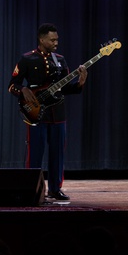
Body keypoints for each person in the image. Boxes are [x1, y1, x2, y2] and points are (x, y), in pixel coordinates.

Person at [7, 23, 88, 200]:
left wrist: (80, 83)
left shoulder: (60, 60)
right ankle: (32, 189)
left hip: (58, 114)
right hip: (36, 114)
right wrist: (23, 90)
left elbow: (65, 89)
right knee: (35, 153)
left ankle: (55, 189)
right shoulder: (27, 59)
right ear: (41, 39)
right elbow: (12, 86)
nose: (56, 43)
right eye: (52, 40)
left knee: (58, 153)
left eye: (57, 39)